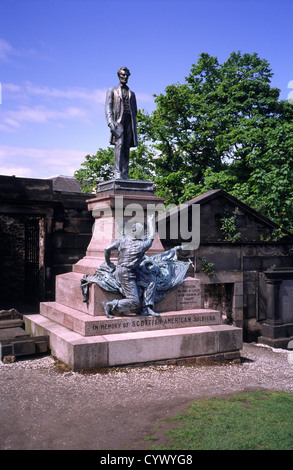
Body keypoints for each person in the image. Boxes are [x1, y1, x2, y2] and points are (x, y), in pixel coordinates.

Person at [103, 214, 159, 318]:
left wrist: (108, 263)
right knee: (134, 302)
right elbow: (151, 238)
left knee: (151, 282)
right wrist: (151, 222)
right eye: (141, 231)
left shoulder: (122, 240)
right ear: (134, 231)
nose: (143, 233)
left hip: (132, 272)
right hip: (125, 274)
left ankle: (147, 307)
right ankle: (110, 304)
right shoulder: (141, 245)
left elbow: (107, 249)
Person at [105, 66, 137, 180]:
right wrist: (110, 122)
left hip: (129, 122)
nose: (125, 77)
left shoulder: (132, 93)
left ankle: (125, 173)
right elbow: (108, 107)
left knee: (126, 147)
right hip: (118, 122)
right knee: (119, 145)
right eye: (123, 75)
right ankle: (117, 172)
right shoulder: (112, 91)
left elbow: (135, 110)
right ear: (119, 76)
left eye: (127, 75)